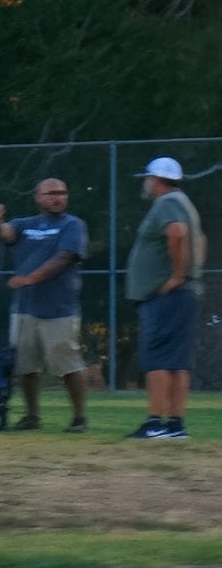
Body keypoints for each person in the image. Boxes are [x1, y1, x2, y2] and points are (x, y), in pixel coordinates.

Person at [0, 178, 90, 432]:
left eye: (62, 193)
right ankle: (32, 416)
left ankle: (79, 418)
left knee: (67, 365)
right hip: (25, 309)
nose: (58, 197)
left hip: (59, 310)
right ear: (38, 197)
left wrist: (30, 278)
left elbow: (63, 258)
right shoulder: (25, 224)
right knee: (25, 366)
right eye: (51, 193)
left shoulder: (73, 225)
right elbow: (3, 233)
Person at [124, 156, 206, 441]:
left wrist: (176, 277)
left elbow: (177, 233)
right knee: (176, 361)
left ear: (157, 180)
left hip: (168, 296)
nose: (146, 184)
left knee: (157, 359)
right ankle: (175, 425)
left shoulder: (167, 203)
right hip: (182, 295)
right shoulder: (183, 202)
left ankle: (156, 422)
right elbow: (201, 239)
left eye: (147, 179)